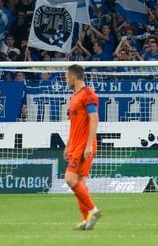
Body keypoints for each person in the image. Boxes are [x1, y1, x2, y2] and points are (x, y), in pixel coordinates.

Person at [64, 64, 101, 231]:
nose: (66, 80)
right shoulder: (74, 96)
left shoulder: (87, 94)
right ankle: (86, 220)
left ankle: (93, 211)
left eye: (66, 77)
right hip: (75, 145)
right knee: (80, 183)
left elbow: (94, 119)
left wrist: (88, 145)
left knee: (70, 179)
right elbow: (74, 124)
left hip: (84, 145)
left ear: (73, 77)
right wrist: (68, 145)